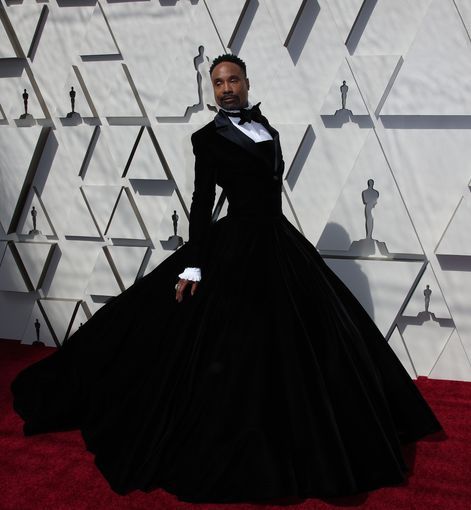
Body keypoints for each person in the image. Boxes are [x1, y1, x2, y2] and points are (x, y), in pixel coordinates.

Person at [10, 54, 442, 504]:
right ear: (211, 89)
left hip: (281, 244)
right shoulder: (207, 139)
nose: (226, 88)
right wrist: (195, 264)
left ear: (247, 82)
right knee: (231, 345)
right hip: (236, 247)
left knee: (304, 343)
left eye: (233, 79)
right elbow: (201, 202)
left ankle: (312, 434)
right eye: (218, 83)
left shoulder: (269, 129)